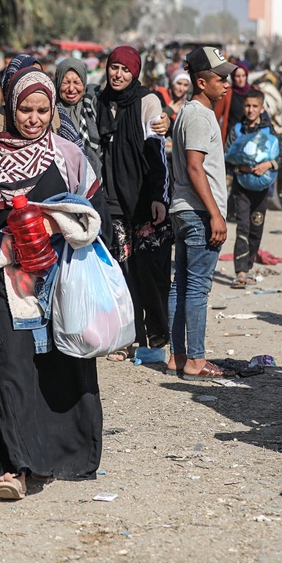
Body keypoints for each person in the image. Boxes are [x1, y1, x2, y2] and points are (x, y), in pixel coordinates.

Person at [0, 67, 104, 500]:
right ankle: (13, 467)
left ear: (53, 111)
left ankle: (62, 454)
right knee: (11, 368)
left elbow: (93, 210)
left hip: (58, 279)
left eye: (42, 110)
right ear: (10, 108)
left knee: (59, 365)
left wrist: (60, 224)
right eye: (25, 109)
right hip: (2, 280)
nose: (33, 118)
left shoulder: (69, 156)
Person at [94, 46, 172, 359]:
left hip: (143, 199)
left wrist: (158, 197)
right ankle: (126, 336)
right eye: (114, 67)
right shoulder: (98, 101)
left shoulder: (147, 101)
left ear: (135, 72)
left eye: (125, 70)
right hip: (111, 199)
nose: (118, 75)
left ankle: (157, 333)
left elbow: (156, 152)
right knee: (120, 270)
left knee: (150, 269)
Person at [167, 47, 233, 381]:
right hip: (197, 213)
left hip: (187, 210)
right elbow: (195, 167)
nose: (226, 84)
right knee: (196, 288)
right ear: (202, 81)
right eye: (220, 78)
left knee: (182, 284)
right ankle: (194, 359)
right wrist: (215, 214)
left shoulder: (194, 113)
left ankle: (177, 356)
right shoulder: (198, 116)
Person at [227, 89, 282, 288]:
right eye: (247, 106)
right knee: (243, 227)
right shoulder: (237, 130)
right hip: (241, 189)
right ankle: (240, 271)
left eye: (254, 106)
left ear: (262, 108)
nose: (250, 110)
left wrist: (267, 165)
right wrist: (241, 168)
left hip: (261, 191)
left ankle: (249, 266)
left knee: (256, 228)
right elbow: (226, 158)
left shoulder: (269, 131)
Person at [54, 57, 101, 175]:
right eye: (66, 82)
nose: (71, 89)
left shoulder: (94, 106)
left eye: (76, 82)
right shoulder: (49, 110)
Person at [213, 61, 250, 142]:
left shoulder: (252, 91)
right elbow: (216, 115)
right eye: (238, 76)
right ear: (233, 77)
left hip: (249, 136)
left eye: (243, 76)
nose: (241, 79)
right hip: (232, 138)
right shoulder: (227, 93)